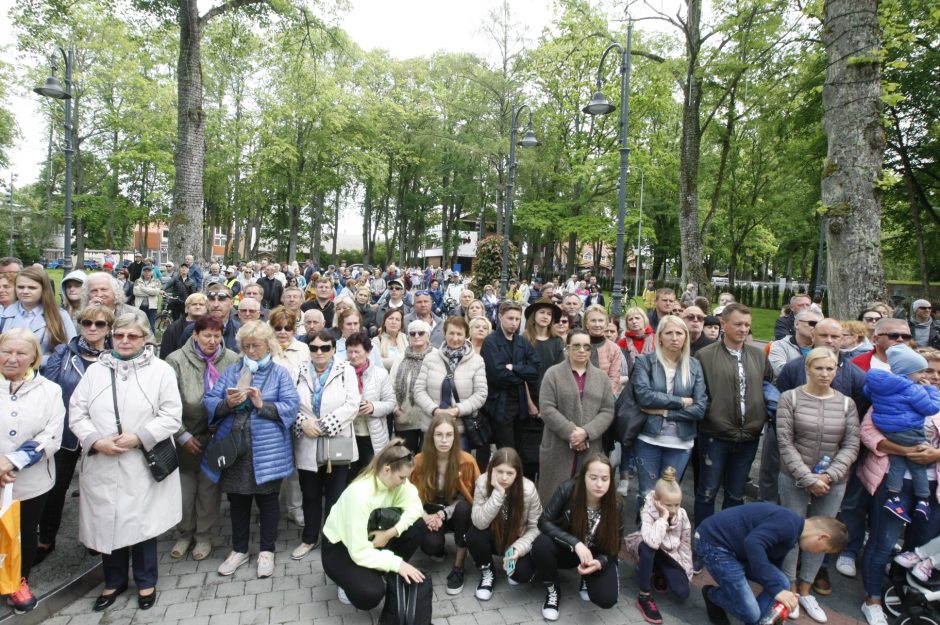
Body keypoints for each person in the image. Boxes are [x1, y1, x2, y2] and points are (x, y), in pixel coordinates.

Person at [68, 314, 183, 612]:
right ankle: (114, 580)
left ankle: (146, 581)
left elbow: (171, 414)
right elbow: (76, 413)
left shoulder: (160, 370)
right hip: (103, 460)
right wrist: (95, 440)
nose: (125, 341)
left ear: (145, 338)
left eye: (132, 336)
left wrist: (140, 436)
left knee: (142, 525)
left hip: (141, 461)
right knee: (108, 523)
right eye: (119, 335)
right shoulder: (96, 371)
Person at [202, 321, 300, 579]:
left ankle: (267, 551)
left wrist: (261, 404)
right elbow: (210, 401)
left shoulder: (279, 373)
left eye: (256, 345)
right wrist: (227, 403)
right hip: (235, 449)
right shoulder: (233, 371)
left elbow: (291, 405)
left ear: (268, 345)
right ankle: (239, 549)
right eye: (245, 346)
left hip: (267, 450)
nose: (251, 351)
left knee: (268, 502)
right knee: (237, 501)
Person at [774, 347, 860, 623]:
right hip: (794, 477)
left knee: (822, 532)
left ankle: (806, 587)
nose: (825, 373)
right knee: (793, 531)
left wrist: (830, 476)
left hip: (832, 481)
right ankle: (788, 586)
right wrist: (807, 477)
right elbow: (785, 441)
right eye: (819, 368)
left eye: (831, 368)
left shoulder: (847, 403)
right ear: (807, 369)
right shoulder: (790, 398)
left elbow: (851, 443)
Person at [37, 305, 114, 567]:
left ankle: (96, 540)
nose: (92, 328)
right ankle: (46, 539)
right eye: (86, 322)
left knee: (97, 492)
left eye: (99, 324)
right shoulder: (64, 353)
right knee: (56, 489)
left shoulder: (115, 355)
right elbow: (50, 389)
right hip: (68, 435)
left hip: (102, 436)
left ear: (108, 327)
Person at [693, 304, 773, 535]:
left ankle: (728, 539)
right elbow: (699, 392)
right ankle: (704, 538)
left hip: (749, 435)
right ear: (724, 325)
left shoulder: (758, 355)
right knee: (707, 491)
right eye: (738, 324)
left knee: (736, 494)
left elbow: (768, 386)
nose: (743, 329)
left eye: (747, 325)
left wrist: (762, 415)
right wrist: (711, 413)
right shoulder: (705, 356)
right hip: (715, 435)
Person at [165, 315, 240, 563]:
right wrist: (182, 435)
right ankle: (185, 533)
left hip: (217, 436)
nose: (212, 341)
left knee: (208, 491)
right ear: (195, 335)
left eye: (217, 336)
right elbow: (168, 404)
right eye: (207, 335)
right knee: (186, 492)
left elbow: (237, 397)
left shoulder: (231, 360)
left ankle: (204, 536)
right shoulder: (176, 360)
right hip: (186, 435)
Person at [0, 329, 64, 612]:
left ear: (34, 358)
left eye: (21, 353)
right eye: (6, 352)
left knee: (25, 532)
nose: (12, 359)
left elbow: (51, 436)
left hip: (31, 481)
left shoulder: (50, 390)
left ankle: (18, 581)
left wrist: (11, 462)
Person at [697, 504, 847, 625]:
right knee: (751, 612)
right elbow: (753, 542)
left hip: (736, 551)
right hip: (714, 546)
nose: (817, 553)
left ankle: (760, 621)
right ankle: (712, 595)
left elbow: (771, 562)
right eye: (823, 550)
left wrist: (777, 591)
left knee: (781, 582)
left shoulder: (794, 531)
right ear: (822, 537)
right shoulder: (788, 523)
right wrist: (775, 590)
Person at [321, 438, 427, 609]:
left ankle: (380, 570)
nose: (404, 482)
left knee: (418, 526)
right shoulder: (359, 494)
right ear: (387, 470)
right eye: (402, 477)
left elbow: (415, 508)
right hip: (340, 548)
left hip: (372, 537)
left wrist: (390, 533)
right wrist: (398, 564)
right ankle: (347, 582)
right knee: (370, 594)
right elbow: (359, 551)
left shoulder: (399, 483)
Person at [290, 330, 359, 560]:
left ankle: (332, 539)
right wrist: (303, 422)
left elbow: (352, 404)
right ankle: (310, 537)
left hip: (336, 440)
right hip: (307, 441)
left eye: (325, 347)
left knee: (335, 495)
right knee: (309, 494)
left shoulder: (345, 370)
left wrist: (324, 425)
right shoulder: (298, 370)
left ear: (333, 349)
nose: (319, 352)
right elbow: (290, 403)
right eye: (314, 347)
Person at [533, 455, 627, 621]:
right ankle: (553, 591)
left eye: (605, 479)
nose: (599, 484)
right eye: (593, 478)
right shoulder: (567, 489)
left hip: (595, 556)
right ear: (583, 476)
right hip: (569, 550)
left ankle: (587, 577)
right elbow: (543, 522)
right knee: (541, 544)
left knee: (606, 599)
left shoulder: (616, 504)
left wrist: (600, 562)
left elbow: (614, 547)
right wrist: (575, 543)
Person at [631, 315, 708, 509]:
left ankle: (664, 536)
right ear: (660, 337)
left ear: (685, 337)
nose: (674, 337)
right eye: (669, 333)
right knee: (647, 493)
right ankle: (645, 536)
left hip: (680, 442)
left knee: (668, 497)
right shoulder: (646, 362)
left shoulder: (694, 365)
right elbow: (644, 397)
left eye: (679, 333)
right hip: (649, 438)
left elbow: (699, 408)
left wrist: (665, 413)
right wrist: (681, 401)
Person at [537, 330, 615, 503]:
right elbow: (547, 407)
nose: (582, 350)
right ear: (567, 349)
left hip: (590, 446)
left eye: (586, 346)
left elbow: (608, 410)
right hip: (558, 445)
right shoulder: (553, 374)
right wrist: (572, 433)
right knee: (553, 499)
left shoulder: (601, 378)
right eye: (576, 346)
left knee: (585, 498)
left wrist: (586, 432)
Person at [866, 345, 940, 522]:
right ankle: (902, 498)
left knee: (921, 543)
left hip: (934, 481)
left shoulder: (888, 389)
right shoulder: (905, 391)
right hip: (888, 472)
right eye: (928, 371)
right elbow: (868, 433)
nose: (935, 377)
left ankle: (912, 499)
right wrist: (906, 450)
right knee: (882, 542)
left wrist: (936, 454)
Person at [411, 415, 480, 594]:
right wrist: (426, 517)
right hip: (430, 511)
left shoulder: (467, 461)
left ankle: (459, 565)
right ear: (430, 436)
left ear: (455, 437)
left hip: (456, 510)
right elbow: (409, 497)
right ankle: (439, 548)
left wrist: (444, 514)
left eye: (449, 435)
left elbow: (473, 498)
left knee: (464, 508)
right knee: (431, 546)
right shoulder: (418, 461)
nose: (444, 440)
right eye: (439, 434)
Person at [467, 447, 541, 600]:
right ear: (492, 470)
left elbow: (535, 527)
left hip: (515, 541)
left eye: (510, 473)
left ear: (517, 473)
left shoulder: (528, 489)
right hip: (492, 537)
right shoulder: (482, 482)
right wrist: (498, 493)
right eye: (499, 471)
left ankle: (511, 564)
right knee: (474, 534)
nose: (504, 478)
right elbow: (479, 522)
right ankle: (488, 571)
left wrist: (517, 549)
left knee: (520, 575)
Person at [623, 467, 693, 624]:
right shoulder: (647, 510)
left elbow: (685, 545)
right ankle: (644, 595)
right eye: (669, 505)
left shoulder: (682, 514)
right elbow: (652, 541)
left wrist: (685, 571)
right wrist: (663, 517)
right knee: (648, 549)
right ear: (657, 500)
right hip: (647, 547)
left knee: (682, 592)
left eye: (677, 504)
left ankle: (658, 572)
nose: (674, 509)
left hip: (668, 555)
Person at [479, 301, 541, 471]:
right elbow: (497, 375)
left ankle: (516, 489)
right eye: (510, 318)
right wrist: (522, 375)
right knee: (506, 452)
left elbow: (535, 370)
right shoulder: (491, 342)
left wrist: (514, 368)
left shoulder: (522, 342)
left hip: (520, 407)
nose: (514, 322)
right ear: (500, 317)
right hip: (500, 406)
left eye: (517, 319)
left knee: (519, 451)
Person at [414, 316, 487, 451]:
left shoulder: (477, 361)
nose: (455, 338)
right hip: (431, 426)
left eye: (459, 334)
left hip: (460, 429)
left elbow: (481, 394)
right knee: (428, 469)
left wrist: (457, 410)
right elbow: (418, 390)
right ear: (444, 333)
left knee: (459, 469)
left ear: (466, 335)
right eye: (451, 333)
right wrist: (435, 410)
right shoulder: (430, 358)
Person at [521, 299, 565, 476]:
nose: (545, 317)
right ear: (534, 316)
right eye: (542, 313)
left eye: (549, 314)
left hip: (549, 400)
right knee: (528, 456)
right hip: (528, 400)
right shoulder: (524, 340)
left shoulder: (556, 342)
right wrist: (530, 403)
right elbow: (521, 375)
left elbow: (559, 375)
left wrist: (549, 406)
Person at [0, 266, 76, 367]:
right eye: (20, 287)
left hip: (46, 376)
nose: (25, 291)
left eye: (32, 287)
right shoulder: (3, 315)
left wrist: (37, 361)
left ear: (44, 289)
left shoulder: (60, 316)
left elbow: (71, 350)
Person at [345, 330, 395, 472]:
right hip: (348, 433)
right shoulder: (340, 372)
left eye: (357, 352)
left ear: (368, 352)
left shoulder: (380, 374)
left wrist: (373, 407)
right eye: (350, 352)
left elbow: (391, 402)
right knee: (350, 477)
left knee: (372, 474)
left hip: (372, 435)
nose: (353, 356)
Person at [389, 320, 437, 451]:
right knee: (406, 459)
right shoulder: (400, 358)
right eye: (412, 333)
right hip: (405, 418)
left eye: (421, 333)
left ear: (428, 335)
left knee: (427, 460)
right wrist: (395, 409)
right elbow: (390, 386)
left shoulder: (437, 356)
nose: (416, 336)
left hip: (430, 418)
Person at [582, 305, 622, 395]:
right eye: (593, 321)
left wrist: (605, 398)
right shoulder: (578, 343)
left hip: (604, 396)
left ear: (606, 324)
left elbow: (614, 378)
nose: (597, 324)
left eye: (600, 321)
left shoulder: (614, 348)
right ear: (586, 324)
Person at [159, 292, 208, 359]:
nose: (198, 307)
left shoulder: (211, 327)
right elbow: (165, 355)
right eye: (194, 304)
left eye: (201, 304)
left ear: (206, 309)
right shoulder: (173, 329)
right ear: (186, 309)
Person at [269, 306, 308, 377]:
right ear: (272, 329)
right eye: (278, 328)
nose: (283, 332)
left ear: (293, 330)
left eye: (287, 328)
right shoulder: (264, 348)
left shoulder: (304, 349)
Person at [618, 306, 656, 375]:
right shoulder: (622, 343)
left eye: (637, 318)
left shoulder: (656, 339)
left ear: (644, 320)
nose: (634, 321)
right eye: (630, 319)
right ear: (627, 324)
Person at [133, 265, 162, 334]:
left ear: (152, 272)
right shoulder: (137, 281)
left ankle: (152, 342)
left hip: (152, 308)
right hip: (140, 307)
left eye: (149, 271)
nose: (147, 273)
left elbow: (156, 292)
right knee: (139, 325)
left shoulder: (156, 281)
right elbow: (135, 292)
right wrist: (150, 292)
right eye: (145, 271)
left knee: (151, 326)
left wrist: (142, 289)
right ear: (143, 273)